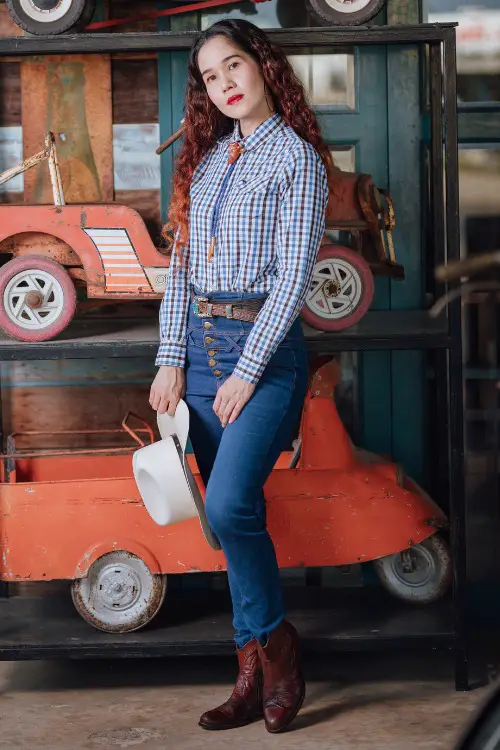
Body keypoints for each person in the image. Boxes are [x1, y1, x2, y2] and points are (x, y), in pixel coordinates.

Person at [149, 18, 333, 734]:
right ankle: (251, 667)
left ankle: (278, 651)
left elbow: (293, 282)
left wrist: (249, 370)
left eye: (235, 66)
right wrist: (170, 358)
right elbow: (182, 273)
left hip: (264, 349)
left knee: (228, 507)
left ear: (262, 65)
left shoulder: (299, 160)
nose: (225, 83)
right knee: (230, 525)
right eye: (211, 76)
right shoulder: (207, 160)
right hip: (198, 351)